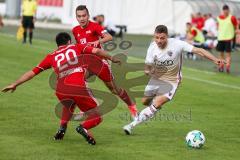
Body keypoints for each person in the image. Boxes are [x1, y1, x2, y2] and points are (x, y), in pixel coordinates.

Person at [1, 32, 121, 145]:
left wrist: (15, 84)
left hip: (61, 90)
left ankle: (62, 129)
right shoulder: (76, 47)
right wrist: (111, 58)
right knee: (97, 115)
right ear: (69, 41)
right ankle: (83, 127)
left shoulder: (51, 56)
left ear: (57, 44)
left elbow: (32, 72)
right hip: (77, 87)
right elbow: (97, 51)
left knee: (69, 104)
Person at [123, 25, 225, 135]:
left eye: (162, 38)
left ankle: (131, 125)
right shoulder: (152, 47)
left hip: (172, 81)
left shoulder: (177, 44)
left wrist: (215, 59)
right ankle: (154, 107)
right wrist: (148, 71)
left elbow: (198, 50)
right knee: (145, 101)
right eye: (157, 37)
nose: (159, 41)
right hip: (157, 78)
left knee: (156, 103)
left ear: (167, 37)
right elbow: (147, 67)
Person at [72, 5, 138, 119]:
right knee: (77, 83)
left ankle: (132, 105)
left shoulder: (95, 26)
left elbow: (109, 37)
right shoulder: (75, 30)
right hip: (86, 63)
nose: (82, 18)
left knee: (114, 89)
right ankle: (87, 109)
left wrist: (97, 41)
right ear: (76, 17)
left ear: (88, 16)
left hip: (100, 62)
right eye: (79, 16)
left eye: (84, 16)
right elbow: (79, 47)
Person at [216, 4, 237, 73]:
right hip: (220, 38)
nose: (225, 11)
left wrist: (234, 34)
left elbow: (236, 27)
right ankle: (221, 66)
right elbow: (217, 26)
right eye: (224, 10)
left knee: (228, 54)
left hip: (229, 39)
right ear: (223, 10)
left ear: (228, 10)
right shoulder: (219, 18)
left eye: (227, 10)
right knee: (221, 54)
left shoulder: (232, 18)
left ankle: (227, 67)